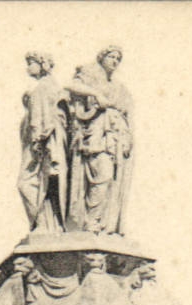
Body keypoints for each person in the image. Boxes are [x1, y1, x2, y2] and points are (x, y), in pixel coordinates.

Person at [64, 47, 133, 234]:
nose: (115, 61)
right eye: (111, 56)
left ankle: (103, 222)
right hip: (95, 134)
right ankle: (90, 221)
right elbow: (71, 86)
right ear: (102, 58)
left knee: (111, 180)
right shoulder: (90, 74)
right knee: (101, 175)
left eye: (118, 58)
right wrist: (95, 94)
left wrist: (126, 138)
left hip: (114, 137)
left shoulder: (119, 87)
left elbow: (126, 114)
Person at [17, 52, 66, 233]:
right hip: (49, 143)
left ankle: (40, 223)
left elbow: (38, 118)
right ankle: (49, 224)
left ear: (42, 64)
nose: (28, 67)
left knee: (25, 183)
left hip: (40, 145)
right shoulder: (52, 87)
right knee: (47, 184)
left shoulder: (41, 89)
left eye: (31, 63)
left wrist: (38, 140)